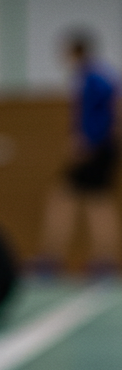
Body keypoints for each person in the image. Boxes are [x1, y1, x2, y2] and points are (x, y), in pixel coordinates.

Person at [34, 29, 120, 277]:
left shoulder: (92, 77)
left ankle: (52, 260)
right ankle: (102, 262)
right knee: (94, 202)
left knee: (66, 199)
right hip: (103, 148)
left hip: (96, 149)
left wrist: (86, 141)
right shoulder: (99, 74)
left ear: (76, 51)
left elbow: (110, 108)